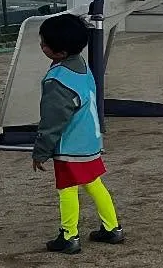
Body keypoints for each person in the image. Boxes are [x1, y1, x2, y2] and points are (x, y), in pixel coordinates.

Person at [32, 13, 125, 254]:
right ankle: (112, 228)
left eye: (44, 43)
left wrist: (41, 151)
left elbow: (52, 121)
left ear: (59, 53)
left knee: (67, 188)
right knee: (94, 183)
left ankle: (69, 235)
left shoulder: (58, 80)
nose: (41, 45)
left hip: (69, 146)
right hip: (90, 141)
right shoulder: (82, 66)